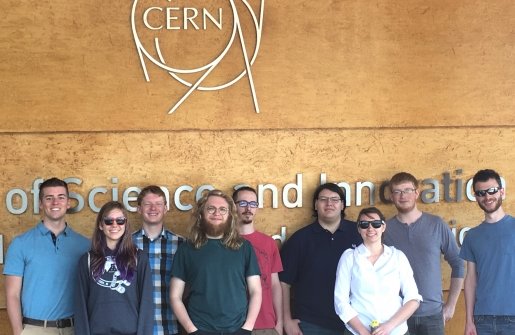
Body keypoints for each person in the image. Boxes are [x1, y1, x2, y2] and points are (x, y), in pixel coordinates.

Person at [3, 177, 90, 335]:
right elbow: (12, 294)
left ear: (68, 203)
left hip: (74, 329)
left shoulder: (85, 245)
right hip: (34, 329)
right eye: (49, 198)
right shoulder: (20, 244)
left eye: (61, 197)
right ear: (41, 204)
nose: (55, 202)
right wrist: (18, 332)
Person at [170, 189, 262, 334]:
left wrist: (247, 328)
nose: (217, 213)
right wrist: (192, 330)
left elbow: (256, 291)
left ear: (230, 215)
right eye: (211, 208)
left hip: (237, 329)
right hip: (200, 328)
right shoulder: (186, 249)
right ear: (201, 213)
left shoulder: (244, 247)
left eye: (222, 209)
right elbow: (175, 296)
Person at [383, 172, 464, 335]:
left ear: (417, 193)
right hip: (396, 315)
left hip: (433, 315)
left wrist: (451, 305)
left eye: (407, 190)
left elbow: (459, 263)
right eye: (397, 191)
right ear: (391, 197)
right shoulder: (385, 230)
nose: (403, 195)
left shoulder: (436, 224)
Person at [279, 182, 362, 335]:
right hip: (312, 324)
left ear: (342, 205)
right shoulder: (300, 239)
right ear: (316, 205)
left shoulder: (359, 233)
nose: (329, 203)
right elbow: (283, 283)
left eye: (335, 199)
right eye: (323, 199)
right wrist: (287, 320)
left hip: (356, 322)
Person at [334, 207, 422, 335]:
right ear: (359, 229)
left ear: (383, 227)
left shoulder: (397, 256)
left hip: (396, 331)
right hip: (357, 332)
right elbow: (340, 301)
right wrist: (363, 332)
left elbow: (413, 299)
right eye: (364, 225)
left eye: (376, 224)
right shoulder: (349, 258)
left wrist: (388, 327)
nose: (370, 229)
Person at [74, 201, 153, 335]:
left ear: (126, 224)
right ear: (100, 225)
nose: (114, 225)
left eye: (120, 220)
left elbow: (146, 303)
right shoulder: (86, 260)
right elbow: (80, 306)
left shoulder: (139, 258)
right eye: (109, 221)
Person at [460, 169, 515, 335]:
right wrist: (469, 320)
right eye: (481, 193)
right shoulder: (472, 236)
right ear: (476, 197)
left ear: (502, 192)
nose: (487, 197)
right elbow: (470, 280)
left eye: (492, 190)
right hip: (482, 320)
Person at [132, 185, 184, 335]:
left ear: (166, 208)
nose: (153, 208)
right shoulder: (126, 245)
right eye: (147, 204)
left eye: (158, 204)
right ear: (139, 209)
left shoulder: (181, 244)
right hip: (135, 328)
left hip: (170, 327)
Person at [233, 186, 283, 335]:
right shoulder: (224, 242)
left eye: (253, 204)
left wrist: (279, 322)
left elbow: (275, 285)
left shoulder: (268, 243)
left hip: (266, 325)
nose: (248, 208)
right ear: (233, 207)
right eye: (242, 203)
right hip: (233, 324)